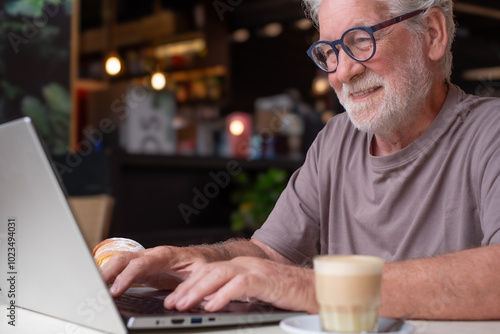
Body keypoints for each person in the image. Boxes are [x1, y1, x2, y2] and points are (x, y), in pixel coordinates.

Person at [101, 0, 500, 320]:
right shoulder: (335, 139)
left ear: (432, 34)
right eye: (330, 51)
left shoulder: (490, 131)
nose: (342, 72)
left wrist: (307, 287)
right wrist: (198, 261)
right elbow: (271, 254)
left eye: (361, 40)